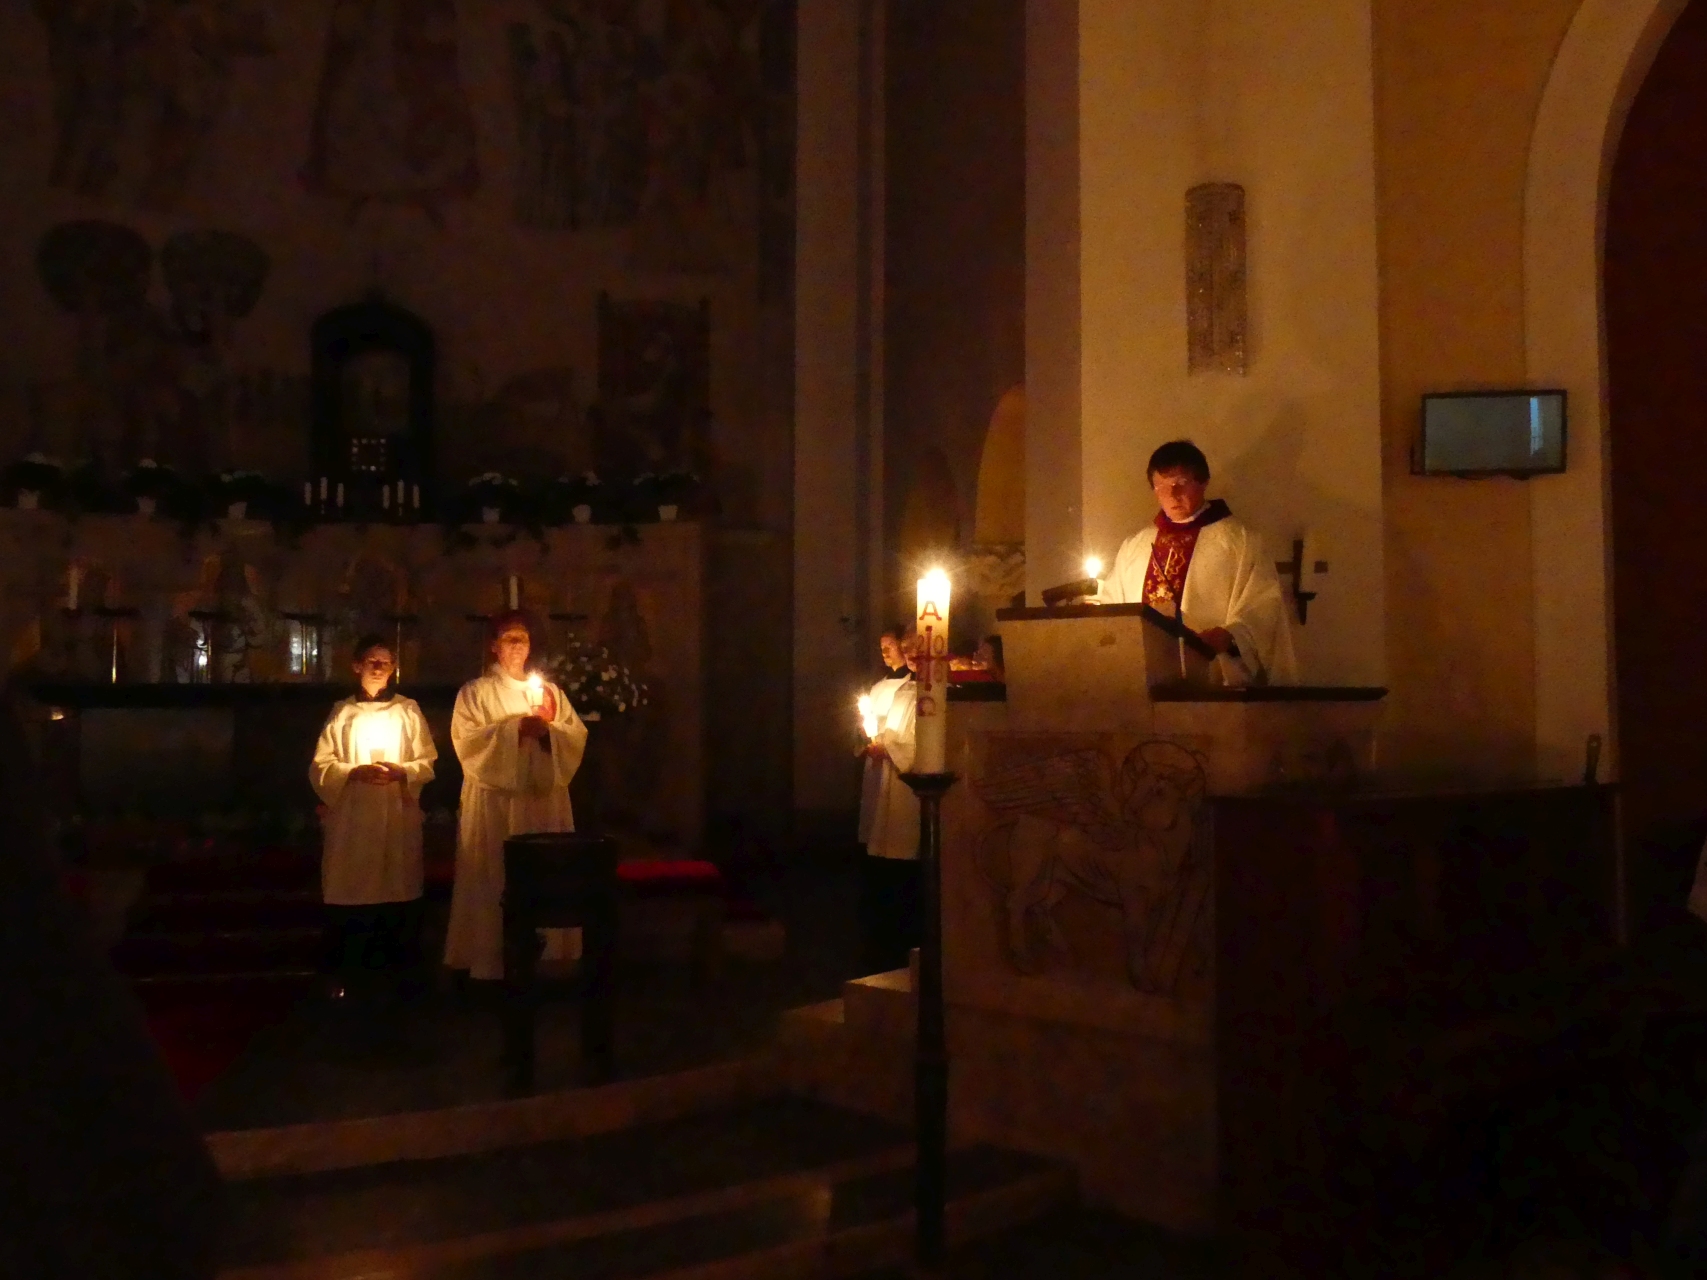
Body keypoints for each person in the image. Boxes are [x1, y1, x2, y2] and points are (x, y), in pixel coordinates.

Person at [444, 610, 588, 982]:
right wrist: (514, 730)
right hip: (496, 805)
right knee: (496, 873)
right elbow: (467, 743)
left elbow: (575, 736)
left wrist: (548, 732)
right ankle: (491, 959)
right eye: (509, 638)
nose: (517, 646)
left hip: (541, 801)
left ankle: (549, 957)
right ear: (493, 646)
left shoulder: (550, 694)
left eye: (522, 638)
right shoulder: (475, 692)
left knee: (543, 873)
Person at [1097, 438, 1298, 684]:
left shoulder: (1241, 542)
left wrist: (1230, 635)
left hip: (1212, 676)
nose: (1172, 494)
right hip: (1144, 677)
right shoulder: (1135, 547)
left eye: (1181, 483)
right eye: (1161, 486)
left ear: (1203, 482)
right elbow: (1112, 609)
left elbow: (1263, 605)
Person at [309, 636, 437, 1006]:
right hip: (354, 818)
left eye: (386, 662)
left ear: (394, 668)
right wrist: (352, 771)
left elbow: (426, 761)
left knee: (396, 887)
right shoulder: (342, 713)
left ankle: (398, 985)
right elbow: (321, 765)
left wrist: (403, 771)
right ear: (357, 666)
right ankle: (349, 983)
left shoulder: (407, 710)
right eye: (372, 661)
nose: (379, 668)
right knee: (354, 888)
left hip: (394, 815)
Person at [859, 632, 922, 973]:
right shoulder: (903, 690)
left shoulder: (931, 692)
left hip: (910, 785)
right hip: (891, 777)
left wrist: (891, 746)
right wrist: (881, 741)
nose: (910, 655)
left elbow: (918, 743)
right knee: (889, 855)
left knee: (908, 853)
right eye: (907, 650)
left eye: (915, 649)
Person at [857, 624, 913, 850]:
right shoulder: (878, 687)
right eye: (882, 647)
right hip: (877, 757)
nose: (885, 652)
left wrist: (888, 746)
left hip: (896, 758)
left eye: (890, 646)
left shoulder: (910, 686)